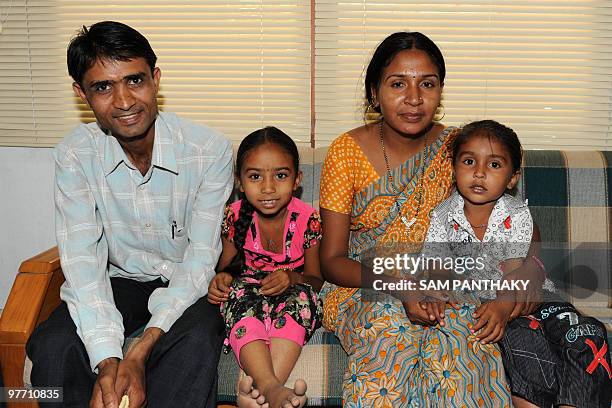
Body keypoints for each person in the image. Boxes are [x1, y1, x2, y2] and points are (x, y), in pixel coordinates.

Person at [319, 31, 546, 407]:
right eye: (397, 84)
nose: (414, 98)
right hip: (365, 285)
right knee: (391, 330)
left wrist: (528, 270)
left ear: (440, 91)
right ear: (374, 92)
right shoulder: (346, 152)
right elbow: (332, 262)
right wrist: (401, 286)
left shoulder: (460, 149)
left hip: (447, 283)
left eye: (427, 84)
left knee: (466, 339)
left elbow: (516, 219)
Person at [26, 21, 233, 408]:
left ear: (155, 79)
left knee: (198, 339)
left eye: (134, 80)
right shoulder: (74, 155)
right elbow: (84, 264)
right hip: (118, 279)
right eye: (103, 87)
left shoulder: (209, 151)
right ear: (81, 93)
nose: (123, 101)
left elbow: (201, 257)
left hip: (186, 281)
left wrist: (139, 351)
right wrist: (108, 357)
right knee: (54, 345)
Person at [423, 119, 612, 407]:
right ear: (454, 168)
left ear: (512, 178)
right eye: (469, 161)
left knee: (588, 333)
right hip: (490, 308)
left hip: (535, 299)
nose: (479, 172)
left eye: (494, 165)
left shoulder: (516, 215)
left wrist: (504, 303)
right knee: (523, 343)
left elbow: (518, 272)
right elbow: (434, 264)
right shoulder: (442, 216)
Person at [207, 127, 323, 408]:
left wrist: (291, 277)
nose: (268, 188)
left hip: (293, 286)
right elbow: (226, 270)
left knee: (303, 300)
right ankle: (272, 390)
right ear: (240, 182)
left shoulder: (308, 219)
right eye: (255, 176)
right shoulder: (234, 217)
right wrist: (219, 281)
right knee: (238, 298)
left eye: (280, 176)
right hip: (248, 288)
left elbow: (317, 280)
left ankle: (258, 394)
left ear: (297, 179)